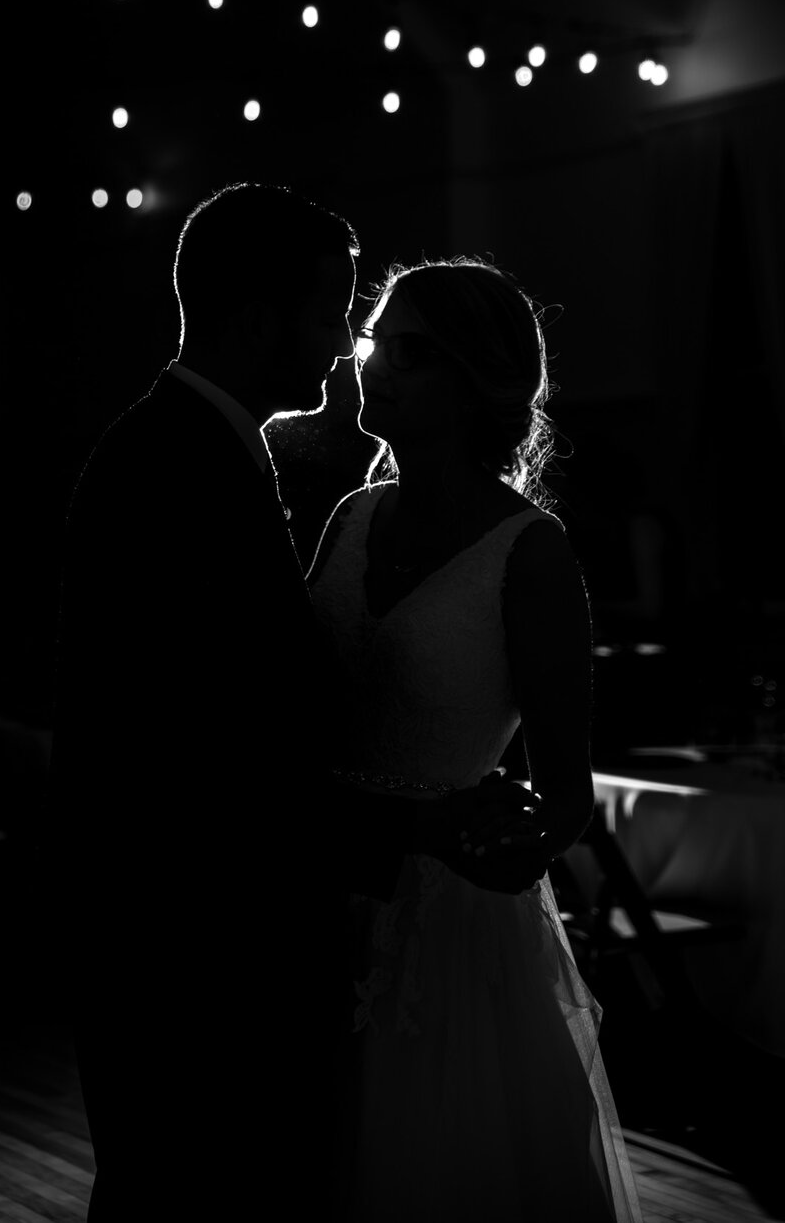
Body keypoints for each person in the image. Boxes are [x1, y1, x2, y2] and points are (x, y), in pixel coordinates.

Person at [49, 187, 538, 1220]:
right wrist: (413, 822)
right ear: (261, 319)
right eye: (329, 320)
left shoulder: (198, 449)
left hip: (205, 938)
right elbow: (217, 760)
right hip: (195, 953)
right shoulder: (176, 469)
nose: (340, 353)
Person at [308, 258, 643, 1222]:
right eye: (375, 341)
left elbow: (567, 789)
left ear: (473, 379)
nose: (370, 363)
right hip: (322, 879)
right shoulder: (352, 515)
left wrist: (509, 845)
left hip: (449, 922)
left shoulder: (528, 552)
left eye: (405, 351)